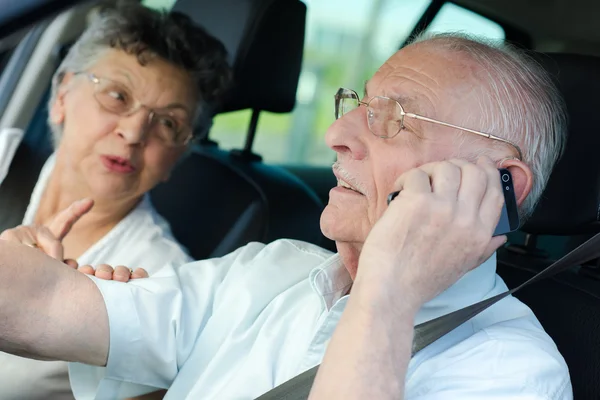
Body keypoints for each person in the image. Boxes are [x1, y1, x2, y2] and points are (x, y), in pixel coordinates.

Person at [0, 32, 571, 399]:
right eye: (358, 105)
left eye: (392, 117)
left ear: (497, 188)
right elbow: (49, 305)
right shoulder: (270, 272)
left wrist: (387, 294)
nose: (336, 134)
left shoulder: (516, 374)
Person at [0, 2, 230, 399]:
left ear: (178, 157)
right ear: (61, 96)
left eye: (168, 122)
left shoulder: (165, 286)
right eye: (117, 95)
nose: (135, 131)